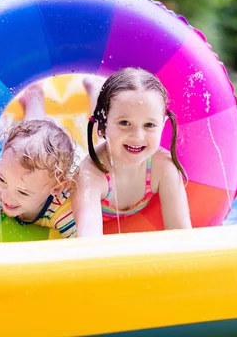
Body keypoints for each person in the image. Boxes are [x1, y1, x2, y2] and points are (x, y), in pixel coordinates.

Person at [71, 67, 192, 237]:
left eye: (149, 125)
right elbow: (89, 242)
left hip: (112, 142)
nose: (137, 136)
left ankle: (94, 91)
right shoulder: (89, 175)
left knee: (114, 140)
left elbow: (182, 236)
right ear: (103, 123)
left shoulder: (163, 167)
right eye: (125, 123)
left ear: (163, 126)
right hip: (98, 156)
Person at [0, 119, 79, 242]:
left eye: (23, 192)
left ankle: (34, 102)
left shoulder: (64, 208)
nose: (5, 196)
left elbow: (84, 252)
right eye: (2, 180)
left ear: (56, 189)